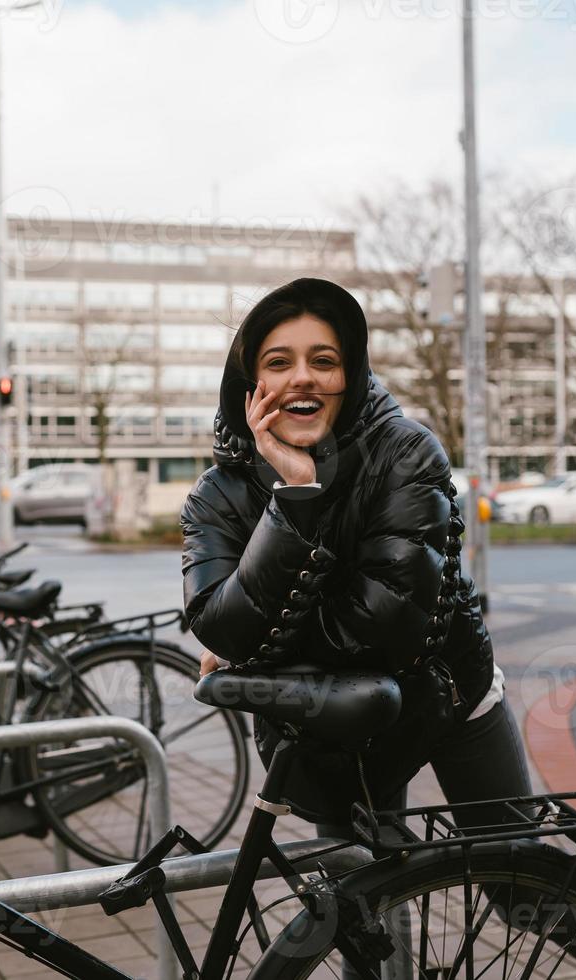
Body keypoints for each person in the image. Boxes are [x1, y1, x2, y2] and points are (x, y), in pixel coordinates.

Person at [179, 277, 528, 838]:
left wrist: (258, 653)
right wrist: (295, 499)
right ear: (251, 382)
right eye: (278, 361)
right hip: (330, 729)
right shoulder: (217, 495)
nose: (302, 377)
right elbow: (220, 625)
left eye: (324, 360)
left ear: (350, 376)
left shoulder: (406, 454)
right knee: (360, 908)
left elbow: (380, 628)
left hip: (445, 695)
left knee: (518, 886)